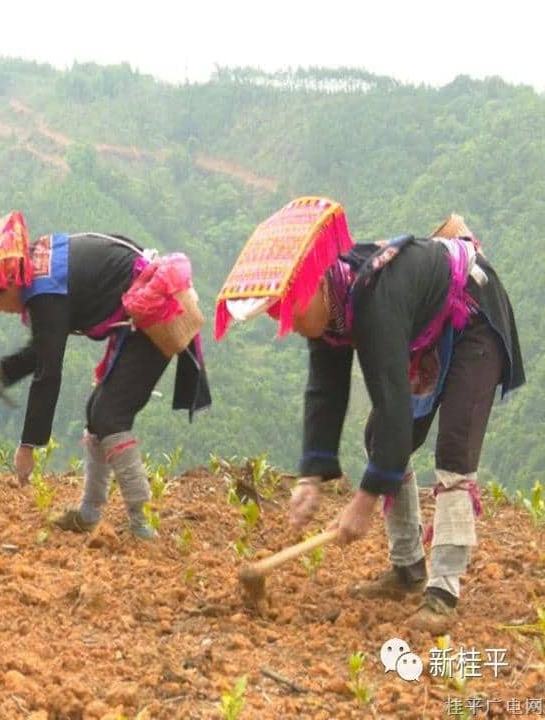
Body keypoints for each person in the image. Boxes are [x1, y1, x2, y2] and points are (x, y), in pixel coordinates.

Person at [214, 199, 523, 632]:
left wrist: (363, 502)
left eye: (292, 311)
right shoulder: (330, 306)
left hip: (473, 314)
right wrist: (311, 476)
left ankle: (442, 592)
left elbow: (395, 404)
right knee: (381, 436)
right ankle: (408, 567)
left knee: (454, 449)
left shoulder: (373, 301)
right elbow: (324, 390)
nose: (291, 324)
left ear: (315, 287)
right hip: (426, 326)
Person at [0, 212, 210, 539]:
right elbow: (46, 347)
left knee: (110, 416)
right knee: (96, 412)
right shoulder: (38, 272)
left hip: (155, 311)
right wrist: (0, 369)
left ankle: (142, 522)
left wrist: (27, 445)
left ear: (9, 285)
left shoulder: (44, 294)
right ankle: (89, 512)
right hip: (136, 312)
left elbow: (49, 372)